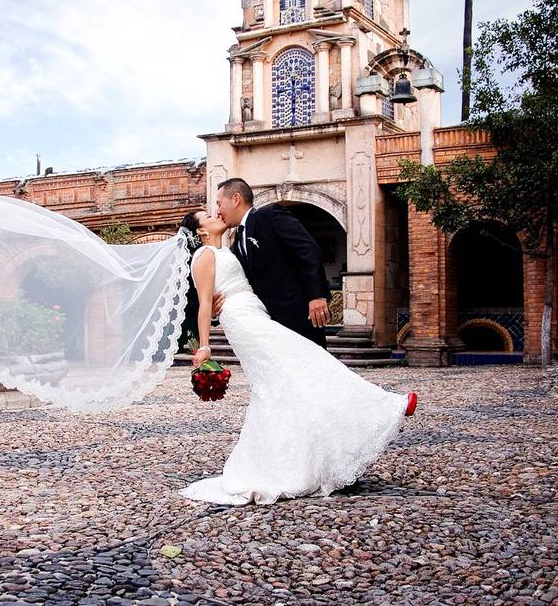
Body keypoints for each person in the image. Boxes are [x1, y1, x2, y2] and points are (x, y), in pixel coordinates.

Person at [178, 209, 418, 505]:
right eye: (208, 215)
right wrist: (205, 346)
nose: (216, 214)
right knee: (302, 358)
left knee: (278, 386)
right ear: (200, 231)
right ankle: (386, 404)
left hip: (255, 311)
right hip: (242, 320)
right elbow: (204, 304)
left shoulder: (228, 247)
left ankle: (297, 460)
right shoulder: (203, 256)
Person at [213, 178, 330, 348]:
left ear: (236, 199)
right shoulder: (237, 243)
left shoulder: (270, 215)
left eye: (219, 203)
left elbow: (307, 249)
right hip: (269, 324)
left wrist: (316, 295)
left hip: (298, 316)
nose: (218, 211)